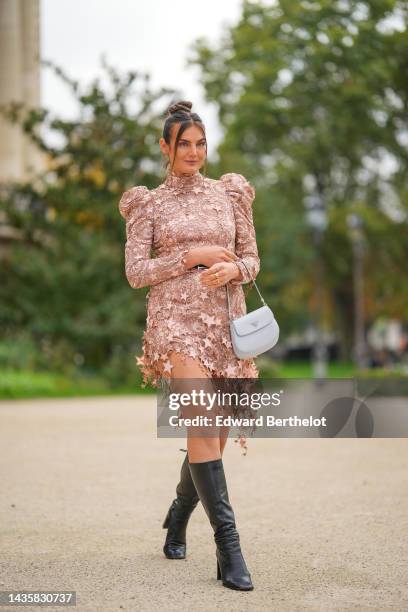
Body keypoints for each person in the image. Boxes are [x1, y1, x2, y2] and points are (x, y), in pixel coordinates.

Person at [118, 100, 260, 591]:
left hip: (225, 322)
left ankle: (178, 514)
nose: (194, 152)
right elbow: (137, 273)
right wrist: (191, 257)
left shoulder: (230, 195)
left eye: (201, 143)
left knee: (212, 437)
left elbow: (253, 260)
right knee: (202, 421)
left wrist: (232, 269)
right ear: (166, 147)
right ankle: (230, 550)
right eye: (184, 144)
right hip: (175, 324)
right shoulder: (148, 204)